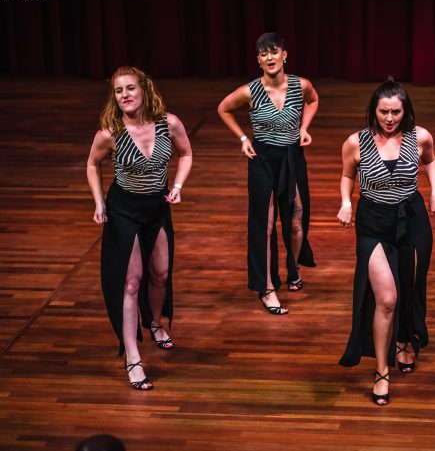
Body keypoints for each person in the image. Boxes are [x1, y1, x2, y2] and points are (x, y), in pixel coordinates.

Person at [86, 66, 193, 389]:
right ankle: (132, 355)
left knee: (160, 274)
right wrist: (99, 202)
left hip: (157, 207)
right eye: (119, 91)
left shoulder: (168, 123)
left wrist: (177, 185)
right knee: (131, 283)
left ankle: (155, 323)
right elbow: (92, 164)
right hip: (124, 211)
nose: (125, 96)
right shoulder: (110, 133)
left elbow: (186, 154)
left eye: (130, 89)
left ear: (145, 90)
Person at [338, 78, 435, 406]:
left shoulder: (419, 136)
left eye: (396, 112)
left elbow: (430, 161)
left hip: (412, 218)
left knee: (410, 288)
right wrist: (345, 202)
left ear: (405, 111)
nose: (389, 118)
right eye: (383, 111)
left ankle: (404, 340)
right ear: (374, 111)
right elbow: (347, 176)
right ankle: (381, 371)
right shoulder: (356, 143)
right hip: (374, 224)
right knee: (387, 297)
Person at [217, 32, 318, 315]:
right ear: (258, 60)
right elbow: (223, 109)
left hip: (292, 157)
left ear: (285, 55)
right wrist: (242, 139)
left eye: (274, 52)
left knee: (297, 220)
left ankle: (294, 267)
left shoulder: (301, 85)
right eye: (263, 54)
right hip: (262, 159)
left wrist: (303, 128)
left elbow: (313, 100)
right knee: (265, 223)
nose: (269, 58)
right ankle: (268, 287)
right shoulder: (250, 91)